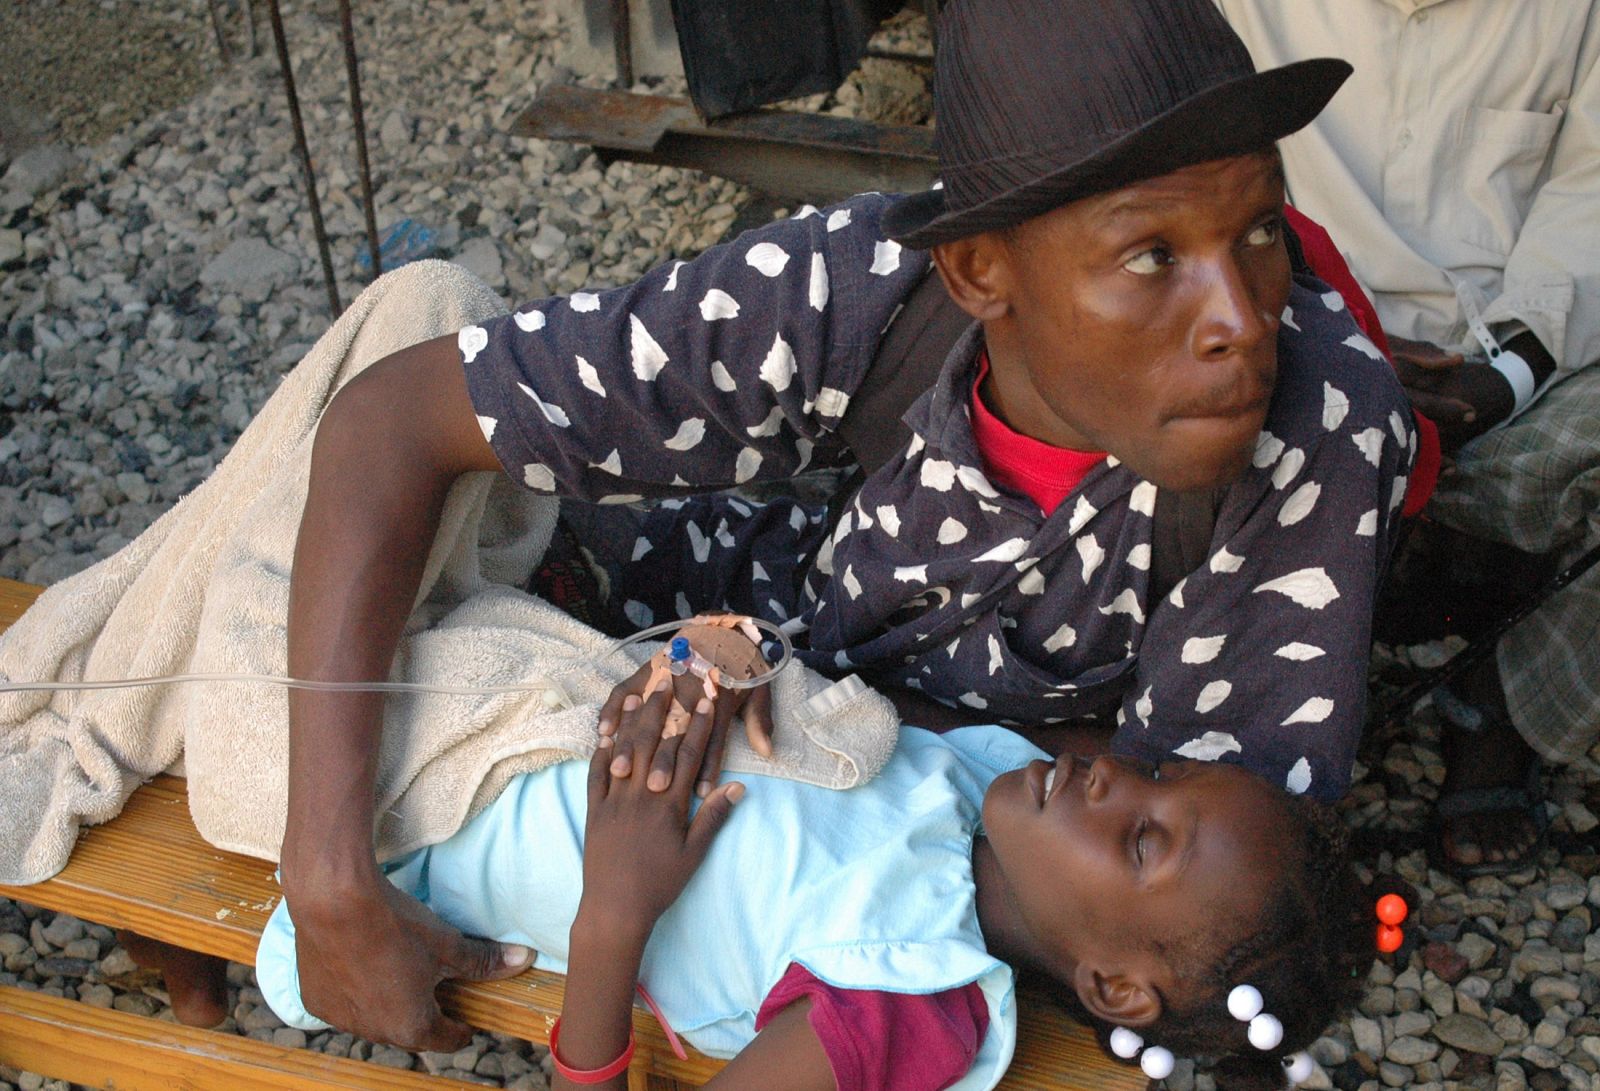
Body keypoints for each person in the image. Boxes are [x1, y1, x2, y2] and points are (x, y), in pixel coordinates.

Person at [278, 0, 1416, 1051]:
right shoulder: (864, 281)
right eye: (1153, 255)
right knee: (390, 393)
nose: (1242, 317)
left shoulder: (1315, 423)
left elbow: (1209, 890)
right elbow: (393, 415)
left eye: (1262, 229)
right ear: (979, 268)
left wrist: (785, 684)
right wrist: (327, 870)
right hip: (776, 644)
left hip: (950, 838)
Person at [256, 675, 1367, 1091]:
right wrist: (722, 660)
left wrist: (614, 914)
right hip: (496, 707)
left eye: (1139, 840)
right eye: (1159, 773)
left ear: (1116, 988)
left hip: (399, 862)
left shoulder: (908, 994)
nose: (1114, 776)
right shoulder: (984, 778)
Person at [1214, 0, 1600, 877]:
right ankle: (1237, 726)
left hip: (1515, 365)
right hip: (1285, 340)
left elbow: (1593, 202)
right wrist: (1337, 346)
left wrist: (1504, 375)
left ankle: (1505, 707)